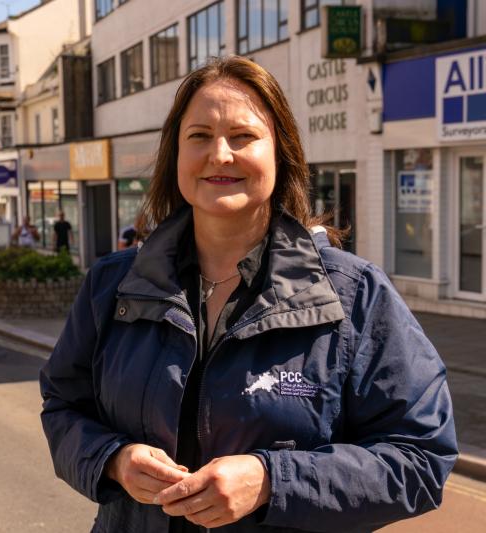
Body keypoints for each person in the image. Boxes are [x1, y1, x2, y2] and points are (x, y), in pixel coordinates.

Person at [39, 56, 457, 532]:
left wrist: (271, 480)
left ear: (280, 153)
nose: (220, 154)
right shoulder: (111, 286)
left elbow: (421, 457)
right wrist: (112, 459)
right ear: (175, 154)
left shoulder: (356, 296)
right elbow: (62, 407)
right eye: (199, 136)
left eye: (243, 136)